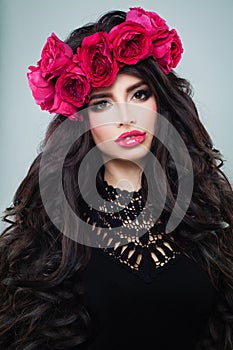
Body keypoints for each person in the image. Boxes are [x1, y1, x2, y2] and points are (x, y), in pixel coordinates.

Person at [0, 6, 232, 350]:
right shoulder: (52, 236)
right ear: (81, 120)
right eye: (103, 103)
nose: (127, 116)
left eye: (139, 95)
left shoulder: (204, 217)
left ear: (161, 105)